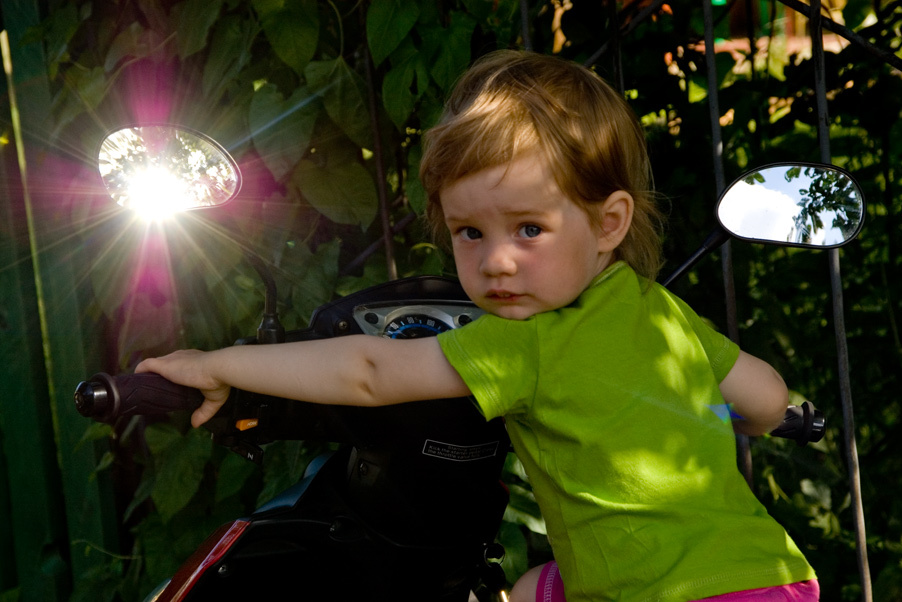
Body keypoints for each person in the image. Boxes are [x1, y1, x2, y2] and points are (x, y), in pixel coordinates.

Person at [136, 50, 819, 601]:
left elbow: (369, 372)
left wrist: (216, 364)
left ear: (610, 223)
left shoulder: (525, 340)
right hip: (772, 576)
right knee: (529, 589)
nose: (496, 261)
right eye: (470, 232)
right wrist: (731, 417)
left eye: (529, 229)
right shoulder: (661, 312)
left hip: (665, 593)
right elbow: (763, 398)